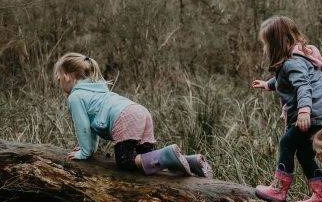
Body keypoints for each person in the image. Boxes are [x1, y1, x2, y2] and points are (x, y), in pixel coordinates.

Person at [54, 52, 211, 178]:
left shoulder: (76, 97)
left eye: (58, 77)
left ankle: (168, 154)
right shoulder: (97, 89)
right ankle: (191, 162)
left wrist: (84, 152)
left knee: (124, 161)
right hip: (140, 111)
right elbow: (91, 129)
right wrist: (89, 149)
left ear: (67, 76)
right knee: (147, 160)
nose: (59, 80)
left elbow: (83, 127)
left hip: (124, 116)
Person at [251, 16, 322, 202]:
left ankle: (278, 190)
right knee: (304, 153)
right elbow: (287, 82)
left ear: (276, 44)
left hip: (316, 115)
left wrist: (304, 112)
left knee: (287, 142)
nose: (265, 48)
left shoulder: (291, 62)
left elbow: (303, 86)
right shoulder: (299, 57)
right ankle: (320, 196)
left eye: (267, 44)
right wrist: (268, 84)